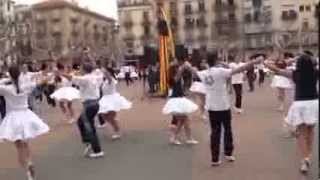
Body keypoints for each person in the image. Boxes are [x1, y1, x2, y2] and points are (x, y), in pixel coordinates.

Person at [193, 53, 264, 166]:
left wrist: (186, 66)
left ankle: (215, 159)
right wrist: (255, 62)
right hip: (223, 106)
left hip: (211, 107)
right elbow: (241, 68)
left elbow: (193, 70)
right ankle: (228, 152)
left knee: (215, 132)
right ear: (216, 61)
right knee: (227, 129)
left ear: (207, 62)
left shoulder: (203, 73)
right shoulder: (220, 71)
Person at [264, 54, 318, 174]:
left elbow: (277, 70)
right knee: (310, 131)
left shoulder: (295, 74)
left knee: (301, 133)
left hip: (300, 104)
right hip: (314, 103)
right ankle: (308, 156)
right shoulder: (315, 72)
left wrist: (266, 63)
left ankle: (304, 160)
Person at [0, 65, 49, 180]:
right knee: (25, 143)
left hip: (13, 117)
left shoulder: (6, 88)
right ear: (20, 74)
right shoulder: (26, 86)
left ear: (10, 75)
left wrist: (7, 79)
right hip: (26, 114)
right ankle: (30, 162)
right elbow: (42, 81)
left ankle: (27, 169)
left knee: (19, 146)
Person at [63, 63, 105, 158]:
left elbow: (72, 78)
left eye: (81, 68)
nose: (80, 70)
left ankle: (97, 149)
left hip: (89, 105)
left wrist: (59, 73)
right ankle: (88, 141)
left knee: (89, 127)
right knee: (81, 122)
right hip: (95, 104)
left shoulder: (85, 79)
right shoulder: (95, 77)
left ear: (84, 70)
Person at [162, 60, 199, 145]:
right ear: (174, 70)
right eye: (176, 68)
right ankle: (175, 137)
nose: (178, 68)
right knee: (183, 120)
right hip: (176, 100)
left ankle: (187, 138)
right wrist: (185, 66)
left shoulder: (177, 76)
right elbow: (179, 73)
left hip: (179, 99)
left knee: (185, 120)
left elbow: (181, 79)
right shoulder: (174, 77)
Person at [97, 65, 132, 140]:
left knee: (110, 118)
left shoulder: (111, 79)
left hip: (112, 99)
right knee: (104, 115)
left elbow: (107, 75)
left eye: (106, 73)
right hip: (106, 99)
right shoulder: (105, 80)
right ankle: (116, 125)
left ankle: (117, 131)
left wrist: (103, 69)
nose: (103, 74)